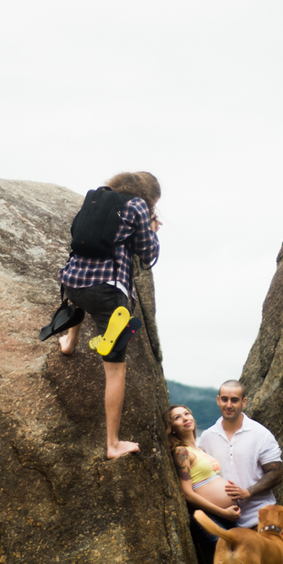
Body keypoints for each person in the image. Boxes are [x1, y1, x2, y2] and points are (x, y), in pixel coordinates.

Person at [57, 171, 161, 459]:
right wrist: (151, 229)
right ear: (150, 196)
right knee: (116, 369)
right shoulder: (138, 206)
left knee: (83, 297)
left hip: (72, 282)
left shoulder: (98, 199)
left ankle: (70, 341)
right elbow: (147, 253)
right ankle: (113, 444)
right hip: (107, 293)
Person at [196, 379, 283, 529]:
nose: (228, 405)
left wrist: (247, 492)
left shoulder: (261, 434)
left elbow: (276, 473)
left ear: (244, 402)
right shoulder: (206, 437)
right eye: (224, 399)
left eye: (234, 400)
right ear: (218, 400)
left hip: (259, 517)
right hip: (223, 518)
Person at [166, 405, 242, 524]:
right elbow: (187, 493)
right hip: (211, 517)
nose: (185, 418)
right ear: (172, 428)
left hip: (227, 515)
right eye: (177, 417)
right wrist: (222, 512)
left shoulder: (199, 450)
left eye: (186, 414)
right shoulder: (182, 452)